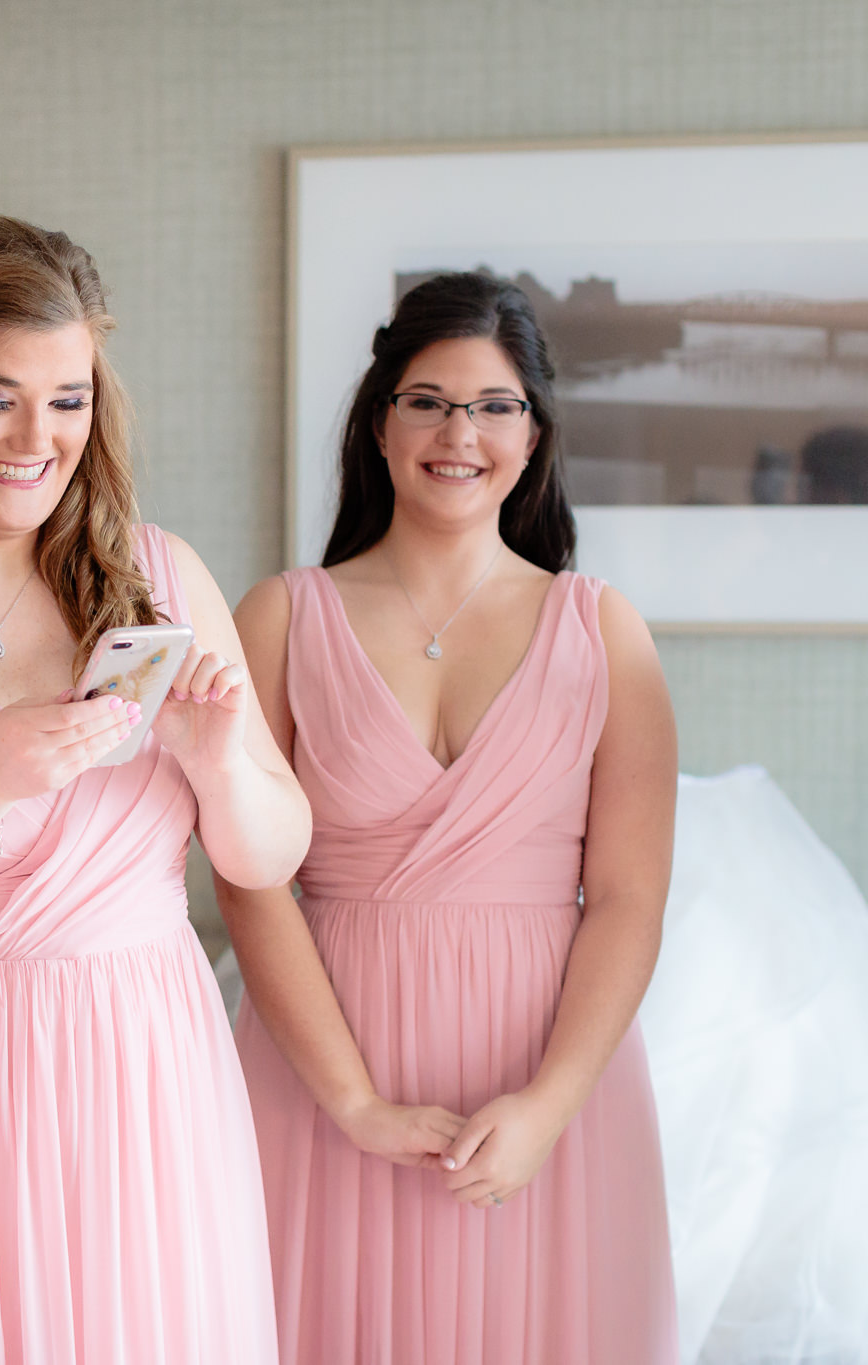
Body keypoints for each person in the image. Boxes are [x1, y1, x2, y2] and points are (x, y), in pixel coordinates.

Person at [0, 216, 308, 1363]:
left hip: (140, 1071)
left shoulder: (158, 574)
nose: (39, 437)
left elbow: (268, 855)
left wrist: (217, 758)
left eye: (68, 399)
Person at [223, 271, 679, 1364]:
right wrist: (351, 1101)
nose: (456, 431)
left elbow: (624, 898)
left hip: (546, 1077)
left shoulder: (603, 630)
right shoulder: (282, 616)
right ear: (378, 423)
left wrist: (546, 1106)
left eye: (491, 405)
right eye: (425, 399)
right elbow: (245, 876)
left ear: (532, 434)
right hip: (322, 1067)